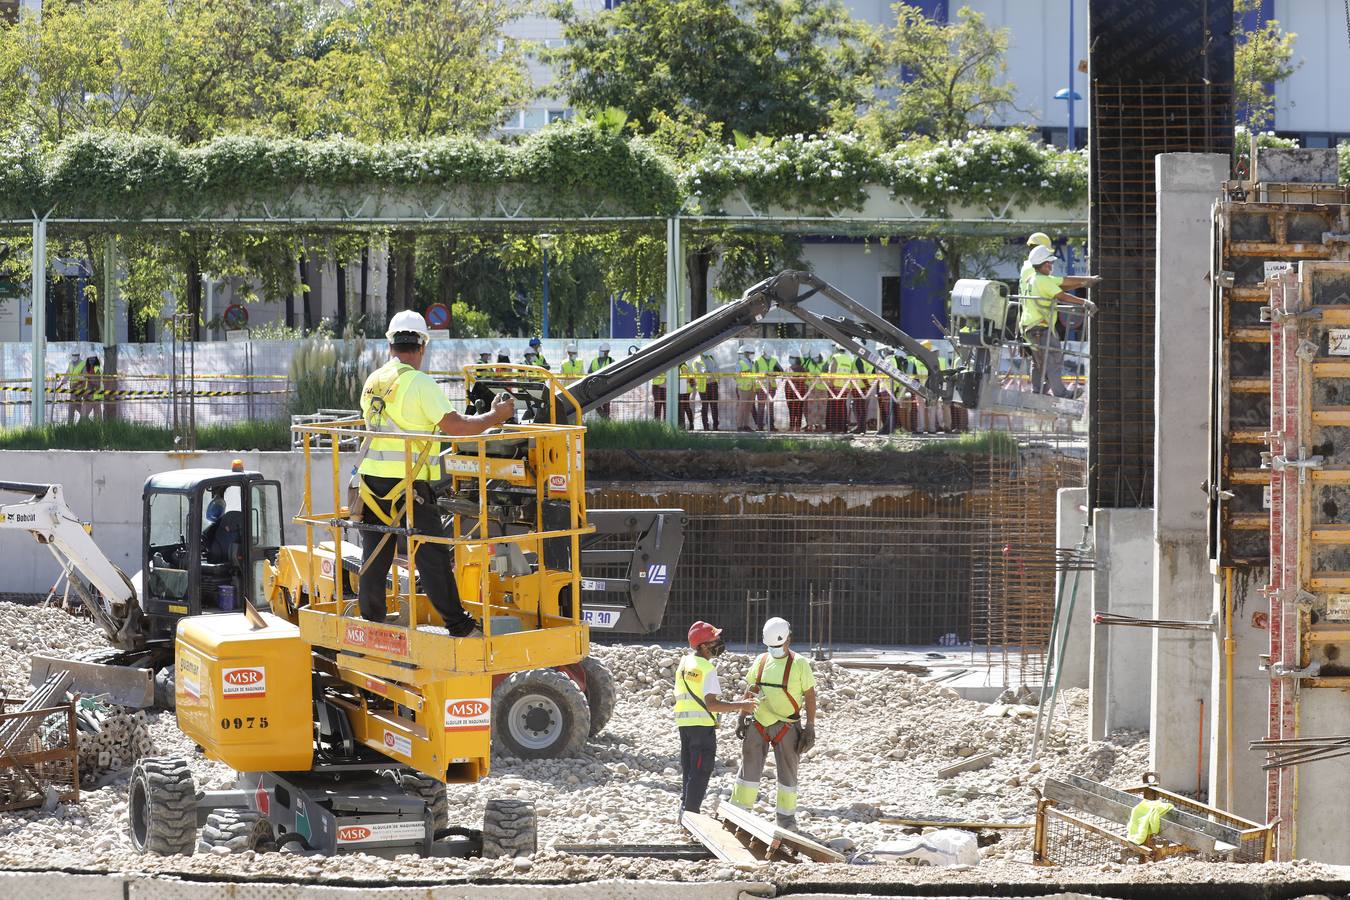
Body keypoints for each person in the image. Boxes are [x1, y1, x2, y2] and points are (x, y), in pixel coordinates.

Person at [357, 310, 514, 636]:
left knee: (375, 553)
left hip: (371, 482)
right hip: (408, 484)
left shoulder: (374, 380)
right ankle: (459, 626)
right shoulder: (420, 383)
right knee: (431, 555)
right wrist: (495, 416)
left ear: (390, 344)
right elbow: (456, 427)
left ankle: (370, 621)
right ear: (422, 346)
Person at [731, 617, 817, 831]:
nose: (775, 649)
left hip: (787, 726)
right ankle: (738, 815)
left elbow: (810, 695)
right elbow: (751, 689)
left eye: (778, 646)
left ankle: (786, 823)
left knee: (787, 775)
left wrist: (810, 726)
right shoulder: (761, 660)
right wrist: (742, 716)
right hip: (759, 723)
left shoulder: (799, 664)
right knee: (748, 771)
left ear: (788, 640)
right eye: (772, 646)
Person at [675, 621, 756, 820]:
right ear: (702, 646)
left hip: (684, 725)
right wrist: (742, 705)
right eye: (714, 640)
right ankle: (691, 816)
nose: (718, 643)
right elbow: (711, 704)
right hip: (702, 728)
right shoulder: (707, 668)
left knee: (689, 770)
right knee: (701, 771)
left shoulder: (685, 663)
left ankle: (684, 811)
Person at [1021, 245, 1097, 398]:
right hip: (1040, 328)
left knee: (1039, 362)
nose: (1051, 266)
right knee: (1054, 362)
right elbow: (1062, 295)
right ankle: (1061, 393)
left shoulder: (1033, 278)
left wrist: (1084, 282)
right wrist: (1084, 302)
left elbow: (1062, 283)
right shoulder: (1043, 280)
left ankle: (1038, 391)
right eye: (1049, 263)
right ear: (1043, 264)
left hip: (1029, 328)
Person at [826, 346, 854, 433]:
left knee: (834, 407)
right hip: (845, 386)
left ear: (837, 349)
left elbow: (832, 372)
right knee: (842, 407)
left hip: (835, 386)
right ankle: (842, 427)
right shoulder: (849, 359)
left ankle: (835, 428)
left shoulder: (835, 357)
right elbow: (851, 373)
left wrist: (830, 384)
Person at [752, 347, 781, 432]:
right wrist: (763, 375)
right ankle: (759, 426)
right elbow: (754, 374)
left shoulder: (774, 360)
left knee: (770, 407)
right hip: (761, 387)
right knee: (761, 407)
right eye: (768, 352)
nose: (769, 353)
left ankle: (771, 426)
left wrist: (772, 374)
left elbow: (781, 371)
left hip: (771, 386)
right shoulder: (757, 361)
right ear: (764, 352)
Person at [588, 344, 615, 418]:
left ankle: (606, 419)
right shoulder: (594, 361)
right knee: (596, 404)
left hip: (606, 386)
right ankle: (605, 418)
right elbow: (589, 372)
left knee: (606, 405)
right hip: (595, 387)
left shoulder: (611, 361)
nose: (600, 352)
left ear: (607, 352)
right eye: (600, 351)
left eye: (602, 351)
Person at [784, 351, 808, 432]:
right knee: (791, 408)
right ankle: (791, 426)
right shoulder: (788, 368)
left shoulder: (802, 369)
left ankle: (797, 426)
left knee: (799, 408)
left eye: (791, 357)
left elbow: (804, 379)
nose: (790, 359)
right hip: (789, 392)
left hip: (799, 392)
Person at [695, 352, 719, 431]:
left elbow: (716, 369)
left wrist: (711, 374)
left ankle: (715, 426)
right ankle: (706, 426)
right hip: (703, 387)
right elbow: (705, 372)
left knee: (714, 406)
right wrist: (711, 374)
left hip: (713, 384)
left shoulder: (711, 358)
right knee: (705, 406)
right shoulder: (697, 361)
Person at [735, 345, 756, 432]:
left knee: (748, 408)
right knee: (742, 408)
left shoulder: (751, 362)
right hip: (743, 388)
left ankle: (745, 425)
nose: (752, 354)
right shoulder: (739, 363)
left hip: (751, 388)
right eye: (751, 353)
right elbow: (736, 375)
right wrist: (746, 372)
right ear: (745, 353)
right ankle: (739, 426)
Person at [804, 351, 827, 432]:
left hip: (822, 389)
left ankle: (820, 426)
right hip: (812, 389)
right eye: (813, 358)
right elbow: (805, 375)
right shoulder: (808, 363)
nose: (815, 359)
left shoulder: (824, 364)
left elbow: (827, 375)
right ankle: (810, 425)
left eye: (816, 357)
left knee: (821, 408)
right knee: (811, 408)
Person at [63, 352, 84, 425]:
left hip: (79, 387)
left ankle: (70, 424)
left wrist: (78, 378)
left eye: (75, 356)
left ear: (78, 356)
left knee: (71, 406)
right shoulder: (71, 364)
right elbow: (68, 373)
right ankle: (86, 421)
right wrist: (64, 379)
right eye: (73, 356)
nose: (74, 357)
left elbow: (84, 376)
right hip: (72, 387)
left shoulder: (83, 364)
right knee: (78, 406)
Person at [678, 361, 695, 430]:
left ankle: (686, 425)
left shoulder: (683, 367)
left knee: (684, 407)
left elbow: (687, 379)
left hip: (684, 390)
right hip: (683, 389)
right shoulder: (683, 367)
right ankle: (687, 424)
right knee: (685, 407)